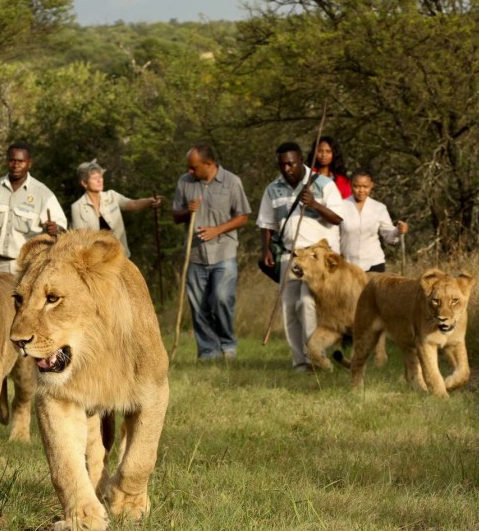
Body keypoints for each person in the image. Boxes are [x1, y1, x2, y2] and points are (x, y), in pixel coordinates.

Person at [257, 141, 344, 373]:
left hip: (317, 257)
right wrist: (266, 249)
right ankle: (300, 361)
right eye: (282, 164)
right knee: (289, 308)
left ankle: (316, 355)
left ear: (301, 161)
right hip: (290, 255)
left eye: (291, 164)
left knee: (306, 303)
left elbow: (338, 218)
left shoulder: (323, 184)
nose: (286, 168)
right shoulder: (272, 189)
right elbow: (266, 223)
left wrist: (314, 203)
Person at [171, 144, 251, 362]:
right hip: (195, 255)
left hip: (223, 252)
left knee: (222, 299)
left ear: (209, 164)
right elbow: (175, 216)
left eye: (193, 167)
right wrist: (188, 211)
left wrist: (217, 229)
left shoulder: (232, 182)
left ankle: (227, 345)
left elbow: (243, 216)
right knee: (198, 305)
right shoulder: (184, 182)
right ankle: (208, 351)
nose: (190, 171)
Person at [0, 142, 67, 274]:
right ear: (6, 161)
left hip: (28, 266)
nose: (16, 165)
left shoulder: (43, 193)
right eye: (12, 160)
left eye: (21, 161)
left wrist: (56, 229)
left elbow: (61, 227)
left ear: (29, 163)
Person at [70, 159, 162, 256]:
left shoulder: (112, 196)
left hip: (120, 255)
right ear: (84, 183)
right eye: (94, 178)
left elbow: (133, 203)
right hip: (96, 260)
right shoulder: (77, 207)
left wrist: (149, 201)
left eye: (100, 176)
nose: (99, 180)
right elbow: (79, 239)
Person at [339, 169, 409, 272]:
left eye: (365, 187)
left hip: (373, 264)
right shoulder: (341, 206)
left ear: (371, 185)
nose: (361, 190)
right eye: (357, 186)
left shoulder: (379, 208)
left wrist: (398, 231)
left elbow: (389, 236)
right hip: (347, 265)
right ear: (351, 185)